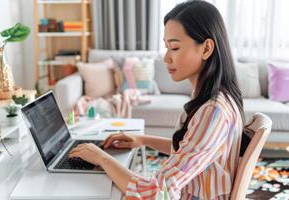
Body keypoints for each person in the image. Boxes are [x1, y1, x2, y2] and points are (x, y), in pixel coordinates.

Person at [69, 0, 244, 199]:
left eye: (175, 48)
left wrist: (101, 158)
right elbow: (189, 152)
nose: (166, 58)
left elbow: (156, 192)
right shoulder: (213, 98)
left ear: (206, 49)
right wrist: (142, 140)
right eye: (166, 47)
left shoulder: (214, 112)